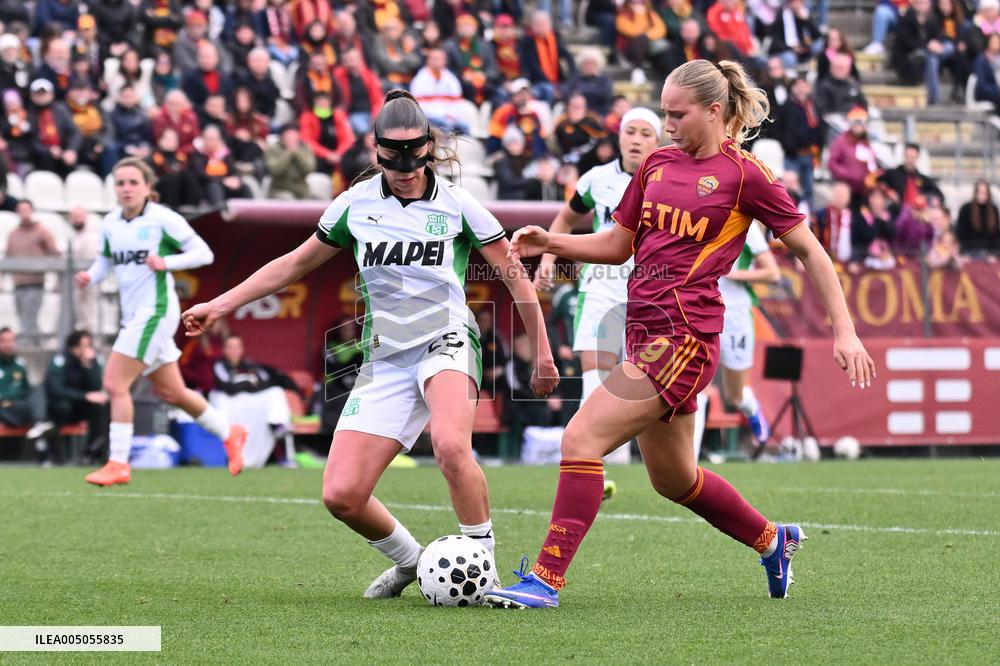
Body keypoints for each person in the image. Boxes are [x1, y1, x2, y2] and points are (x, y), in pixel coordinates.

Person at [486, 60, 874, 609]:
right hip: (645, 335)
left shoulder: (747, 175)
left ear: (714, 111)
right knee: (674, 481)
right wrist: (551, 242)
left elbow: (810, 251)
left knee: (580, 438)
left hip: (684, 338)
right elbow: (617, 245)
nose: (667, 126)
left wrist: (846, 332)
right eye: (663, 113)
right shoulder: (658, 165)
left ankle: (545, 580)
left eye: (676, 114)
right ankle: (773, 540)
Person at [181, 90, 559, 599]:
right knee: (342, 495)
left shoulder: (458, 204)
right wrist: (219, 305)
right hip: (385, 355)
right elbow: (292, 265)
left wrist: (544, 354)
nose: (404, 166)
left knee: (450, 446)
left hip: (447, 337)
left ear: (429, 146)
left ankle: (482, 567)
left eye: (414, 153)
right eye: (392, 155)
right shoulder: (354, 205)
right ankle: (413, 562)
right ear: (374, 148)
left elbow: (516, 280)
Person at [74, 158, 247, 486]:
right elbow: (105, 261)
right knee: (175, 392)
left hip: (154, 312)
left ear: (147, 187)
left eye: (133, 182)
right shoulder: (111, 223)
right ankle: (231, 432)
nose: (126, 189)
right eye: (120, 183)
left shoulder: (162, 219)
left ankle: (118, 463)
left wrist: (166, 261)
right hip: (135, 316)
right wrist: (89, 276)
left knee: (114, 385)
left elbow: (203, 254)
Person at [534, 107, 662, 466]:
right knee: (598, 374)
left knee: (638, 381)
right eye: (630, 132)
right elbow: (566, 217)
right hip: (602, 283)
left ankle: (627, 459)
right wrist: (547, 258)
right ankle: (598, 466)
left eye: (645, 133)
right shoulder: (596, 178)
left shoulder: (667, 178)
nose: (636, 139)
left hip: (650, 289)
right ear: (619, 136)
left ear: (657, 140)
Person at [715, 222, 780, 446]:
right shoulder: (697, 213)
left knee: (735, 395)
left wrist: (733, 275)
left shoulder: (746, 228)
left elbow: (772, 273)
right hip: (701, 308)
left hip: (735, 314)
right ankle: (688, 466)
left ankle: (751, 408)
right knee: (696, 388)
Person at [209, 334, 294, 468]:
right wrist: (249, 380)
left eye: (236, 347)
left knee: (276, 391)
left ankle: (278, 424)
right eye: (230, 347)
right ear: (224, 350)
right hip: (230, 402)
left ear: (242, 349)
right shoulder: (219, 365)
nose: (233, 351)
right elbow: (229, 387)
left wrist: (243, 382)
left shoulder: (250, 364)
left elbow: (265, 382)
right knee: (220, 401)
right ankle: (228, 455)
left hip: (251, 402)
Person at [43, 330, 108, 464]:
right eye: (81, 346)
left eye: (87, 346)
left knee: (101, 408)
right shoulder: (61, 360)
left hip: (82, 408)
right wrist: (84, 396)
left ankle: (90, 452)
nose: (84, 350)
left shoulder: (92, 361)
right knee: (62, 408)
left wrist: (87, 366)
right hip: (62, 408)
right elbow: (56, 390)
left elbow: (96, 387)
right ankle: (57, 455)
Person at [5, 200, 61, 338]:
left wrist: (58, 278)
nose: (24, 214)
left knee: (30, 319)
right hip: (18, 283)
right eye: (21, 210)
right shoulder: (13, 234)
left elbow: (55, 254)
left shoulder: (42, 232)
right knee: (22, 319)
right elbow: (8, 258)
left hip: (35, 283)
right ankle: (33, 344)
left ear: (32, 211)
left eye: (26, 210)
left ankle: (31, 346)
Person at [955, 180, 1000, 257]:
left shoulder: (993, 209)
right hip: (970, 249)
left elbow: (996, 234)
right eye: (980, 191)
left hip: (990, 250)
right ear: (975, 193)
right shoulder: (966, 209)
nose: (982, 194)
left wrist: (993, 251)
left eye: (985, 192)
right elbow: (960, 233)